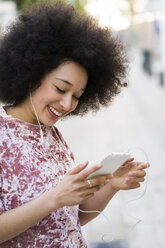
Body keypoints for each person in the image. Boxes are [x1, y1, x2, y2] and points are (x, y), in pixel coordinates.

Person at [0, 1, 148, 247]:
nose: (68, 104)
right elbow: (54, 203)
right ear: (31, 73)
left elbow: (69, 218)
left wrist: (111, 185)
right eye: (60, 88)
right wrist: (53, 198)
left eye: (77, 96)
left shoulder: (51, 134)